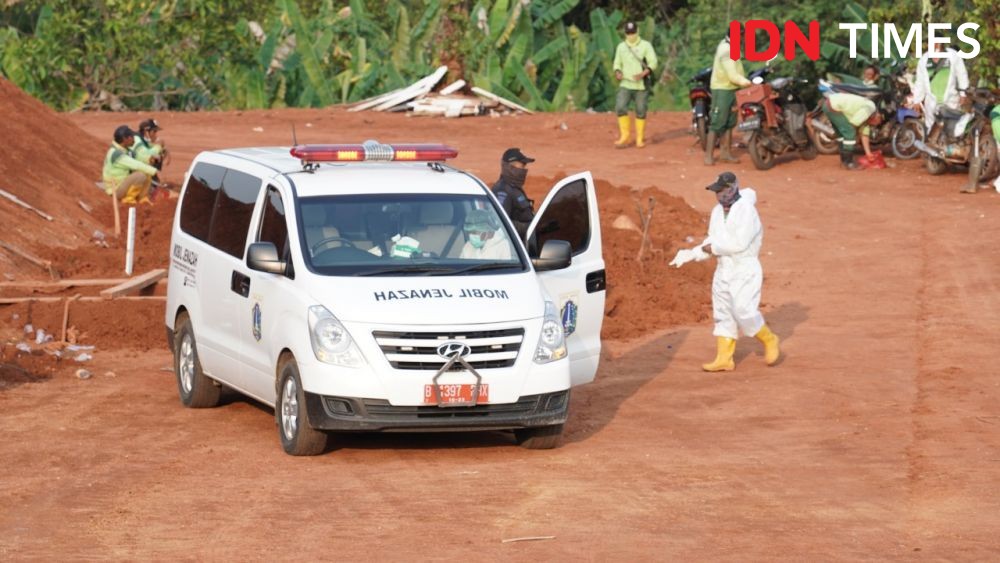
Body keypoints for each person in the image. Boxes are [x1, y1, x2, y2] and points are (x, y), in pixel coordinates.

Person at [668, 172, 779, 372]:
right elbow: (712, 240)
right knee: (723, 312)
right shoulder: (717, 212)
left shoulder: (747, 211)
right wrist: (693, 253)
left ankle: (769, 339)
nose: (719, 196)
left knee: (743, 310)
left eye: (722, 190)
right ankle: (724, 358)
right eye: (717, 192)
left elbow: (739, 243)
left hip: (744, 268)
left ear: (733, 188)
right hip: (723, 269)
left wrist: (711, 248)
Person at [705, 25, 752, 165]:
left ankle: (726, 153)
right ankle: (709, 156)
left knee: (730, 122)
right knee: (718, 122)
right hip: (722, 89)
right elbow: (732, 75)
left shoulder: (732, 46)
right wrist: (748, 83)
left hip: (732, 88)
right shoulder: (726, 49)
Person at [612, 21, 658, 149]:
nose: (631, 35)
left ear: (637, 32)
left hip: (641, 84)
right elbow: (617, 63)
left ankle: (639, 138)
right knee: (620, 107)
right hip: (626, 83)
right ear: (625, 34)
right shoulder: (621, 47)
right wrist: (617, 72)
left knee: (641, 109)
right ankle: (624, 135)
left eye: (633, 33)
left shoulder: (646, 46)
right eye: (628, 33)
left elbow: (653, 62)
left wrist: (644, 73)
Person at [909, 44, 969, 132]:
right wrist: (917, 100)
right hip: (932, 102)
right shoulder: (924, 60)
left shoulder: (952, 56)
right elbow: (920, 82)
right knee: (931, 128)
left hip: (951, 100)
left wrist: (963, 93)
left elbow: (962, 74)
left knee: (952, 128)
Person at [821, 92, 884, 170]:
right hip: (833, 106)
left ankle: (844, 162)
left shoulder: (869, 115)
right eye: (875, 124)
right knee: (850, 132)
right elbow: (853, 124)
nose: (873, 125)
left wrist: (868, 153)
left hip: (829, 104)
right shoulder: (868, 110)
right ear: (877, 117)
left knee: (841, 135)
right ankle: (849, 163)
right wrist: (855, 138)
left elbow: (865, 135)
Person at [102, 125, 157, 205]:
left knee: (146, 172)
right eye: (132, 137)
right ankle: (128, 200)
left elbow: (139, 158)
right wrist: (154, 171)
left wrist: (149, 159)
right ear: (125, 139)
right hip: (114, 191)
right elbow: (136, 165)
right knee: (140, 175)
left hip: (120, 185)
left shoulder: (123, 150)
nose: (134, 139)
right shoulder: (116, 154)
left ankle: (142, 199)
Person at [491, 148, 535, 241]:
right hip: (513, 248)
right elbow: (501, 223)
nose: (524, 170)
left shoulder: (513, 188)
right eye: (522, 166)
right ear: (511, 167)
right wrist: (530, 227)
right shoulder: (502, 190)